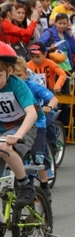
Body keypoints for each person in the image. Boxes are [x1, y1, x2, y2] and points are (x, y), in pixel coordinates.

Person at [0, 42, 41, 206]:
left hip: (24, 126)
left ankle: (25, 184)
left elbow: (31, 113)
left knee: (4, 148)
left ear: (9, 71)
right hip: (3, 129)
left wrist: (18, 135)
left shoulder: (17, 85)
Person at [13, 56, 58, 201]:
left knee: (39, 157)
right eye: (13, 76)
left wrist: (49, 107)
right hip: (18, 126)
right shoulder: (9, 88)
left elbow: (53, 99)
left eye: (19, 75)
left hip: (37, 125)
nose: (16, 79)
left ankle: (44, 185)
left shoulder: (33, 87)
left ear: (26, 74)